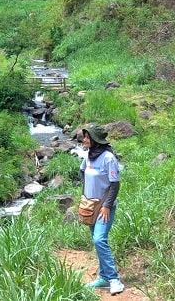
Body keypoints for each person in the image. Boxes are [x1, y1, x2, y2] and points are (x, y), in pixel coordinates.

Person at [80, 123, 124, 295]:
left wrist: (106, 206)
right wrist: (85, 194)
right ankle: (104, 277)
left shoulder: (108, 158)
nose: (84, 140)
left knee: (99, 239)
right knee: (97, 242)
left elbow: (115, 184)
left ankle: (114, 279)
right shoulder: (88, 156)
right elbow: (82, 172)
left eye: (87, 137)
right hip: (90, 206)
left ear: (95, 140)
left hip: (104, 207)